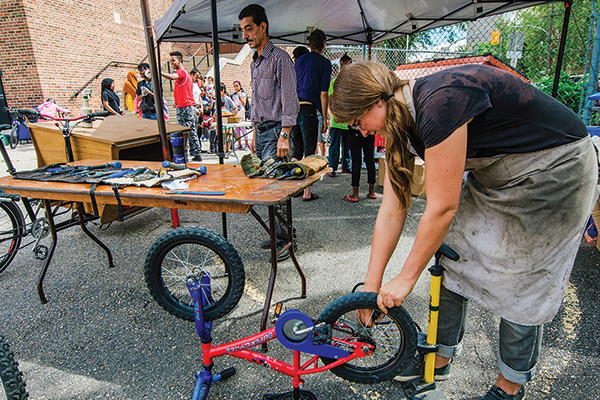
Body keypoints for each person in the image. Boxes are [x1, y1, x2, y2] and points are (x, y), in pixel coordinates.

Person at [330, 61, 598, 400]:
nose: (363, 132)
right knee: (451, 252)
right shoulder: (400, 123)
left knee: (524, 281)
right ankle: (439, 358)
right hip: (503, 171)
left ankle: (510, 386)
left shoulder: (439, 104)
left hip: (554, 169)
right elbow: (393, 207)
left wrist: (405, 278)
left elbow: (442, 208)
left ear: (376, 102)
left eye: (358, 122)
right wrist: (371, 288)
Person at [239, 3, 299, 261]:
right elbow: (257, 101)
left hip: (277, 132)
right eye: (242, 30)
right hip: (262, 130)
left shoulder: (280, 59)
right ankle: (278, 234)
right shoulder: (255, 62)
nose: (245, 35)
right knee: (266, 187)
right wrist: (254, 132)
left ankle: (287, 240)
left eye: (249, 29)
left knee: (278, 188)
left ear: (263, 27)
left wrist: (284, 134)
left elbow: (289, 100)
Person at [291, 28, 331, 201]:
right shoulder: (324, 63)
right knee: (309, 151)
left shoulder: (299, 61)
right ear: (323, 44)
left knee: (296, 149)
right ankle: (307, 192)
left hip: (293, 109)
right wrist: (324, 117)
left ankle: (292, 186)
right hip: (309, 110)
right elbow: (323, 93)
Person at [161, 51, 202, 162]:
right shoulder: (186, 74)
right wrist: (177, 101)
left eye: (173, 60)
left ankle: (185, 157)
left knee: (184, 132)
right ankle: (197, 153)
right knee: (192, 131)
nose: (172, 63)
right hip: (188, 106)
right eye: (170, 61)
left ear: (180, 61)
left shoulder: (181, 72)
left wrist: (158, 72)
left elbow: (172, 77)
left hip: (185, 107)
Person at [327, 54, 352, 177]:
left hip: (348, 121)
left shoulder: (352, 84)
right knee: (334, 145)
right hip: (336, 120)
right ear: (340, 66)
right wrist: (333, 113)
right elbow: (330, 100)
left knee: (347, 145)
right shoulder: (334, 83)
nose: (345, 67)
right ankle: (332, 167)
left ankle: (346, 166)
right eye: (343, 65)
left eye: (347, 65)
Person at [231, 80, 249, 150]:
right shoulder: (233, 95)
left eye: (237, 86)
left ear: (240, 86)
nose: (235, 88)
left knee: (243, 128)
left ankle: (246, 144)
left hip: (241, 111)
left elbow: (244, 103)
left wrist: (240, 96)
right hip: (236, 112)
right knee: (237, 129)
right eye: (234, 86)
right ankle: (239, 144)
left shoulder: (243, 94)